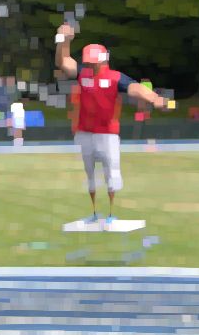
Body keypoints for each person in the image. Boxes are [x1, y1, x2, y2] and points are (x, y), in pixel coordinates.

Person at [55, 23, 170, 223]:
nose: (90, 66)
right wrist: (62, 40)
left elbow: (136, 88)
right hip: (85, 132)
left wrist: (154, 98)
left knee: (112, 172)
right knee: (89, 172)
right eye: (88, 62)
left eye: (93, 63)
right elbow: (63, 62)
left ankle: (110, 213)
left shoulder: (115, 77)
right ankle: (93, 213)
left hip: (107, 132)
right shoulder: (83, 74)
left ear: (102, 61)